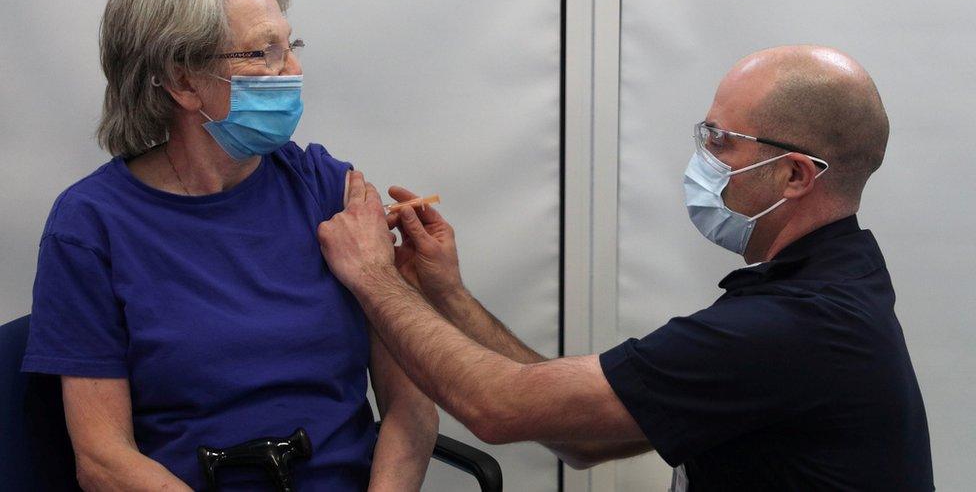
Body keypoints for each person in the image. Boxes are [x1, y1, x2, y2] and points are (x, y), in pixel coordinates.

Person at [317, 45, 934, 490]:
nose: (703, 159)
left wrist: (372, 277)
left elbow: (497, 407)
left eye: (720, 140)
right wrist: (445, 292)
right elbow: (583, 439)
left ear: (794, 174)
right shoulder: (828, 287)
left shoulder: (792, 326)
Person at [21, 0, 436, 490]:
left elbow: (411, 408)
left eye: (290, 46)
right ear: (182, 82)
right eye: (263, 53)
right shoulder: (91, 225)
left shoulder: (327, 189)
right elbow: (104, 460)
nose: (293, 70)